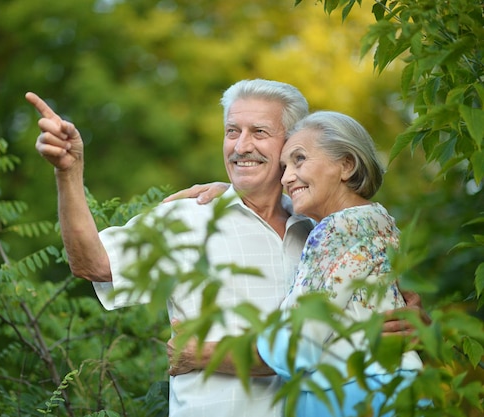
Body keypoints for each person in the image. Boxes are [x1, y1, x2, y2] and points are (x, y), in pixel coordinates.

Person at [27, 79, 424, 417]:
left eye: (259, 133)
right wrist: (69, 172)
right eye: (232, 131)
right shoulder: (189, 218)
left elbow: (379, 298)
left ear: (291, 143)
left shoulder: (318, 226)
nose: (241, 146)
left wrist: (408, 316)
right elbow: (92, 263)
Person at [169, 111, 425, 416]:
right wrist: (236, 194)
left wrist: (198, 354)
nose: (286, 177)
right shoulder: (378, 220)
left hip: (353, 395)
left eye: (299, 160)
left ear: (346, 165)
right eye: (284, 166)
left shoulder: (337, 229)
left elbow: (292, 346)